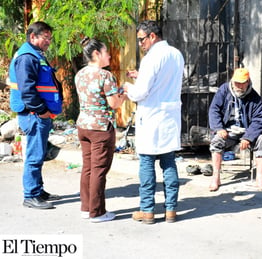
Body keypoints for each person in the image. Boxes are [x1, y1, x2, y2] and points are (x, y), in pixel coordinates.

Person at [123, 20, 184, 224]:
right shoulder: (176, 54)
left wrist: (127, 87)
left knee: (147, 163)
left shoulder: (151, 58)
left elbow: (141, 92)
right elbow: (164, 81)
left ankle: (147, 210)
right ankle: (171, 210)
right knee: (169, 162)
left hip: (151, 116)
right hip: (169, 117)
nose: (140, 44)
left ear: (152, 36)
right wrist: (140, 76)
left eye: (141, 39)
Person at [8, 21, 63, 209]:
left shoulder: (34, 55)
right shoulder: (27, 58)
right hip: (34, 114)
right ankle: (30, 194)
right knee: (34, 154)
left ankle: (38, 190)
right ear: (33, 36)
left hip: (37, 114)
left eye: (50, 38)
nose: (49, 41)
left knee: (39, 153)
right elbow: (28, 91)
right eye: (45, 38)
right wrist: (43, 111)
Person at [75, 37, 126, 223]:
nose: (110, 55)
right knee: (99, 170)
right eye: (106, 52)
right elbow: (114, 104)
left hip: (83, 125)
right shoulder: (105, 76)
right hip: (101, 128)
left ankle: (86, 207)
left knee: (87, 167)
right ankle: (97, 212)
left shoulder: (80, 74)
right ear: (96, 54)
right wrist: (124, 95)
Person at [208, 67, 262, 192]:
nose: (239, 86)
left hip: (247, 131)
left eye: (242, 83)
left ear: (248, 82)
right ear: (232, 80)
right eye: (237, 83)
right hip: (228, 131)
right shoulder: (224, 90)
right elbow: (214, 110)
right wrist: (219, 128)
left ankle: (260, 178)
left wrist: (248, 136)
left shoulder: (255, 97)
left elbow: (259, 119)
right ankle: (216, 177)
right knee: (216, 141)